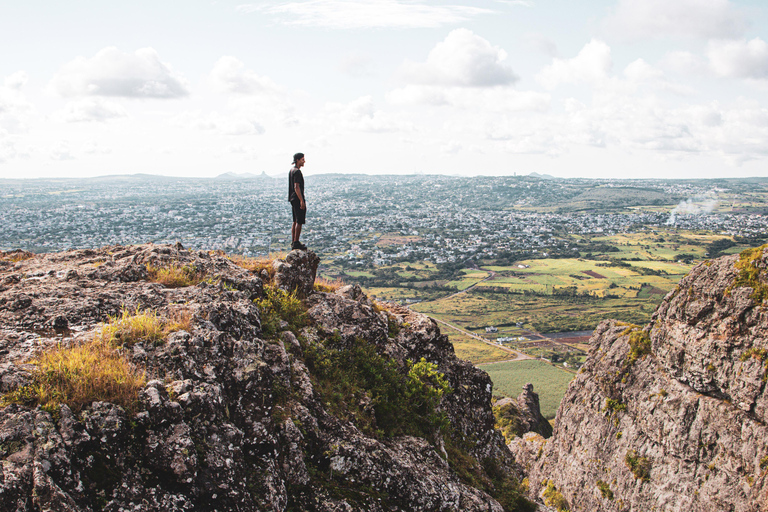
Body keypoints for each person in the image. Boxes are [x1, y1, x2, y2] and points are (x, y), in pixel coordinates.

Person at [288, 152, 307, 250]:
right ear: (298, 160)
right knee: (299, 221)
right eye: (303, 159)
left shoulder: (292, 170)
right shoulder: (297, 172)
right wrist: (301, 201)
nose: (304, 161)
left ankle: (294, 241)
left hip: (292, 198)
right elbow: (297, 187)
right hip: (297, 198)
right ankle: (296, 242)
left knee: (295, 220)